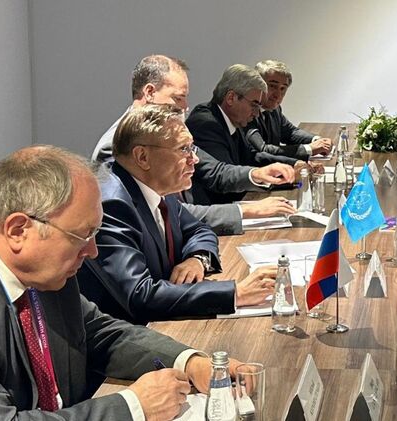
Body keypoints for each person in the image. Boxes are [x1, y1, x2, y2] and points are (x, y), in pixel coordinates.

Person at [0, 145, 243, 420]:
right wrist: (133, 407)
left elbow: (99, 333)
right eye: (83, 235)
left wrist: (190, 362)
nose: (92, 252)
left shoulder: (41, 268)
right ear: (18, 230)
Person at [78, 105, 277, 324]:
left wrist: (197, 259)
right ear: (142, 157)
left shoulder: (158, 186)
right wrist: (234, 293)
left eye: (192, 148)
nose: (195, 159)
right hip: (129, 332)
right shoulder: (111, 206)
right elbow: (140, 295)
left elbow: (199, 229)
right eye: (183, 149)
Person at [92, 54, 296, 235]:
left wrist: (257, 175)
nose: (185, 107)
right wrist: (246, 210)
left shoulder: (169, 132)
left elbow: (213, 170)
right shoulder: (115, 145)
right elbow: (165, 214)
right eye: (178, 98)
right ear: (150, 92)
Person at [186, 64, 317, 204]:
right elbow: (224, 178)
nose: (256, 113)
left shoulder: (235, 119)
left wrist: (293, 165)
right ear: (231, 98)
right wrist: (282, 178)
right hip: (216, 209)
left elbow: (253, 157)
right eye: (254, 105)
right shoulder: (205, 123)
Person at [245, 60, 332, 160]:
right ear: (257, 84)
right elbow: (262, 150)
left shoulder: (275, 109)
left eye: (283, 88)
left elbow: (290, 132)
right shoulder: (246, 112)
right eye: (272, 86)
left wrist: (317, 140)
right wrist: (309, 149)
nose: (278, 95)